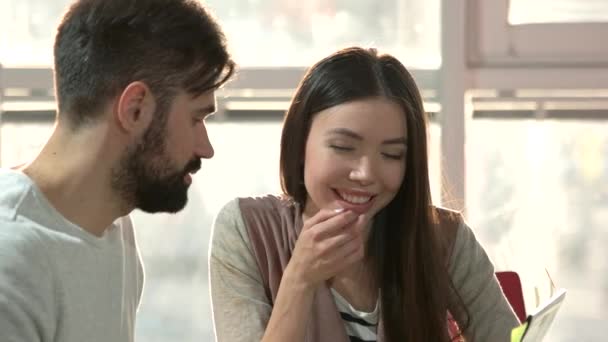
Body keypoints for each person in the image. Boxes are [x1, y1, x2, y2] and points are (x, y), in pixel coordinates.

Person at [208, 47, 518, 342]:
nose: (366, 174)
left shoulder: (444, 238)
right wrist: (300, 279)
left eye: (392, 154)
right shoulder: (246, 231)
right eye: (344, 148)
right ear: (301, 141)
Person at [0, 0, 234, 341]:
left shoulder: (112, 223)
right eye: (196, 118)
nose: (206, 149)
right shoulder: (12, 269)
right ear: (135, 109)